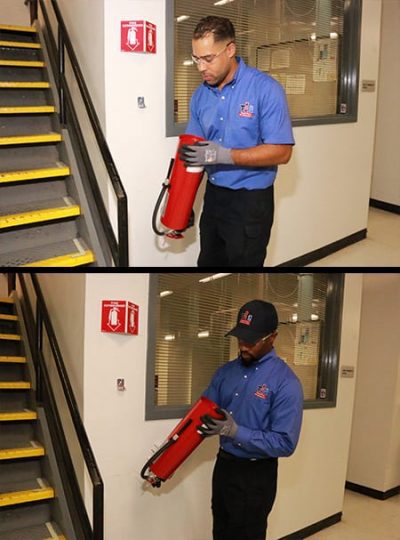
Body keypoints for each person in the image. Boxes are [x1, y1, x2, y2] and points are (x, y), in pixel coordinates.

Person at [179, 16, 295, 268]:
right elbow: (193, 153)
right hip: (214, 197)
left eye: (208, 58)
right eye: (196, 59)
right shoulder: (200, 96)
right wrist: (181, 202)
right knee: (208, 263)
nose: (201, 67)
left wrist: (223, 155)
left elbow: (282, 152)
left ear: (230, 49)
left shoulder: (266, 89)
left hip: (250, 201)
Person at [199, 300, 303, 540]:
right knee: (221, 529)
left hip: (256, 476)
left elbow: (285, 443)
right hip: (224, 468)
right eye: (240, 339)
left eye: (251, 341)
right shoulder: (225, 372)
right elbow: (206, 410)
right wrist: (202, 425)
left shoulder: (286, 383)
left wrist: (236, 431)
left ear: (272, 337)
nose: (243, 346)